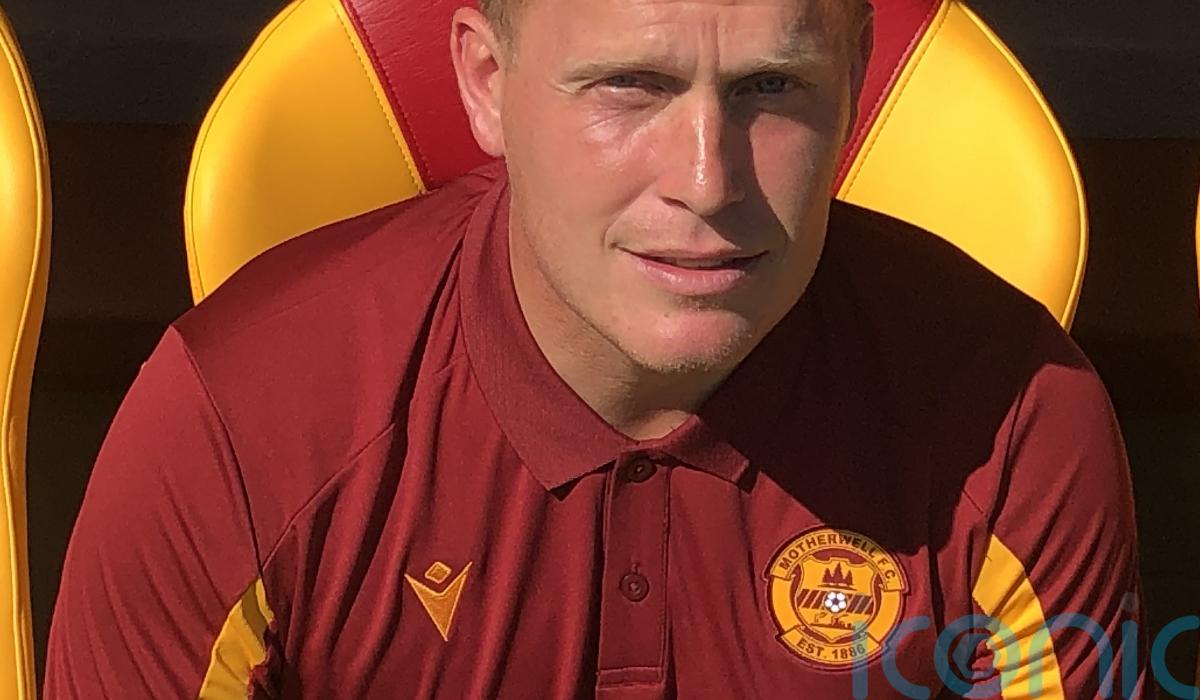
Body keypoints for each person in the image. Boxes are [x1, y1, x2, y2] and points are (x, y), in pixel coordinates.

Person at [45, 0, 1149, 697]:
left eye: (771, 86)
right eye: (632, 85)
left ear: (857, 77)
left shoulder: (1014, 414)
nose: (707, 180)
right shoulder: (239, 414)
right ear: (486, 84)